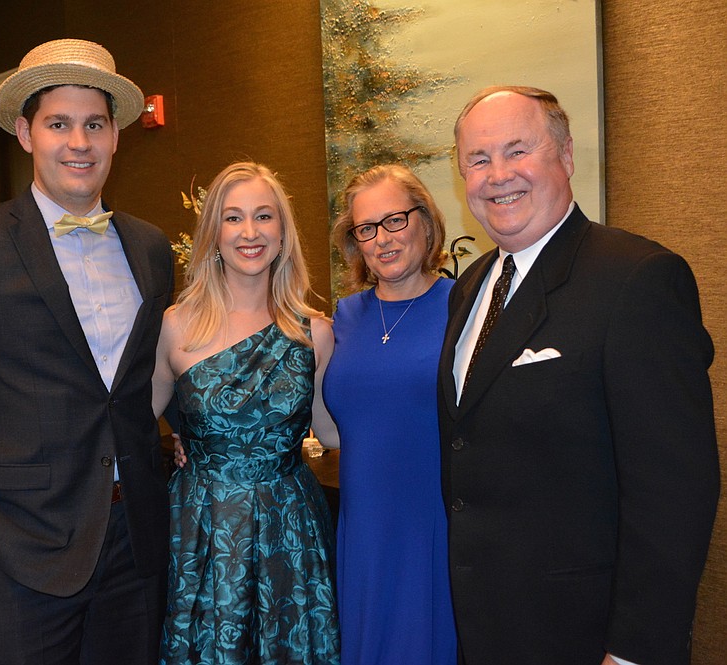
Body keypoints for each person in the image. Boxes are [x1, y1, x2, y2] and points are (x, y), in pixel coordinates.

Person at [0, 39, 174, 665]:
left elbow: (148, 381)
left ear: (114, 136)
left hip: (135, 540)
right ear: (26, 133)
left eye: (94, 125)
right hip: (22, 548)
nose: (78, 142)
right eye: (59, 124)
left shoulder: (151, 247)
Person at [437, 85, 719, 665]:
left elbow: (673, 493)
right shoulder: (470, 288)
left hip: (585, 637)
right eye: (479, 159)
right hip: (486, 627)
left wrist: (636, 651)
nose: (498, 175)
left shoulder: (637, 279)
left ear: (565, 156)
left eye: (518, 151)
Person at [152, 161, 340, 664]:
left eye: (264, 216)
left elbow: (333, 432)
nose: (250, 232)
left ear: (283, 233)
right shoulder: (176, 326)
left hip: (291, 527)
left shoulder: (314, 333)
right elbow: (129, 424)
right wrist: (178, 441)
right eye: (233, 218)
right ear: (213, 233)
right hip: (202, 525)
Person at [323, 164, 458, 665]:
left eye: (396, 220)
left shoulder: (463, 308)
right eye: (366, 228)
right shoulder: (344, 316)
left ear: (425, 220)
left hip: (433, 525)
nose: (382, 239)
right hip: (363, 524)